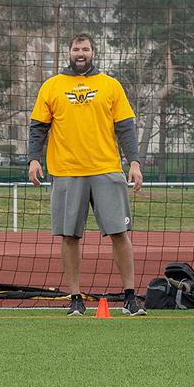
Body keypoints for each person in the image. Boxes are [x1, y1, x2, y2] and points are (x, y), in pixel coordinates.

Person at [27, 32, 145, 316]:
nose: (81, 53)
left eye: (86, 49)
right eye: (77, 48)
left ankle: (130, 297)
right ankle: (75, 298)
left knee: (120, 232)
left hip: (106, 169)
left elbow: (126, 127)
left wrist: (134, 162)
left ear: (94, 52)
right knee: (69, 236)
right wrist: (33, 159)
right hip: (66, 171)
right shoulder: (52, 86)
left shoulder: (110, 85)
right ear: (69, 52)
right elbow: (38, 127)